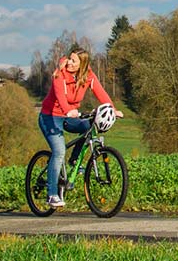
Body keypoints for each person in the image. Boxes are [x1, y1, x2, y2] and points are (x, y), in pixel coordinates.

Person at [39, 47, 123, 207]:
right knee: (58, 152)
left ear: (82, 65)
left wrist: (112, 109)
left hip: (70, 115)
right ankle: (51, 194)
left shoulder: (88, 75)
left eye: (73, 61)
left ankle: (74, 161)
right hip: (50, 117)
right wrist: (68, 111)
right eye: (69, 59)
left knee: (89, 126)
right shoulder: (59, 74)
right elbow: (60, 96)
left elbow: (101, 93)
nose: (69, 63)